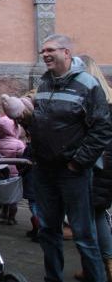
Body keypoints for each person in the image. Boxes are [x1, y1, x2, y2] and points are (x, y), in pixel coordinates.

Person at [15, 35, 112, 282]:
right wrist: (27, 121)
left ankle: (96, 278)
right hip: (45, 170)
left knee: (83, 233)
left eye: (50, 50)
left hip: (73, 172)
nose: (44, 54)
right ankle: (52, 278)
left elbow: (102, 129)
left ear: (66, 53)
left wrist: (78, 162)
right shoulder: (45, 84)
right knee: (48, 230)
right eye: (42, 51)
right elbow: (42, 122)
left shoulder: (88, 84)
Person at [73, 54, 112, 281]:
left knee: (90, 216)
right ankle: (101, 265)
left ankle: (97, 265)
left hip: (94, 161)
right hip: (108, 162)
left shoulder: (85, 96)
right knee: (98, 213)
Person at [0, 116, 25, 225]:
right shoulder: (18, 143)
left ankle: (1, 213)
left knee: (2, 194)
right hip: (15, 174)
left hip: (2, 172)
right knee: (13, 197)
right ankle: (11, 218)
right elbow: (22, 156)